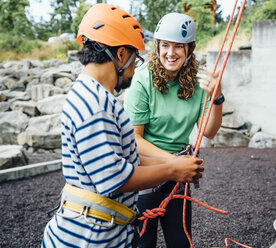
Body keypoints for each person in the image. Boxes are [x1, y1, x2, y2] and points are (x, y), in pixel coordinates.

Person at [41, 5, 203, 248]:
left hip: (97, 232)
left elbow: (123, 158)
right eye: (135, 58)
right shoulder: (96, 105)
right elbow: (115, 178)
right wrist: (174, 170)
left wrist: (175, 163)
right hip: (90, 239)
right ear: (121, 55)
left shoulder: (93, 95)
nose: (134, 68)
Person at [124, 12, 224, 248]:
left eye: (178, 46)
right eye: (165, 45)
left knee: (181, 242)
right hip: (146, 168)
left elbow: (208, 132)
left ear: (189, 48)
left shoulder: (200, 80)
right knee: (143, 244)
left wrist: (217, 97)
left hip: (178, 173)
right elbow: (134, 139)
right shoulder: (142, 79)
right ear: (157, 46)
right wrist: (174, 164)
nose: (171, 53)